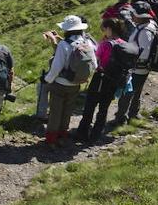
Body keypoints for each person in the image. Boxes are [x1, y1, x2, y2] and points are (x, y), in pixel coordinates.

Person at [42, 16, 96, 147]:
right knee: (67, 111)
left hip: (60, 84)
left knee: (55, 112)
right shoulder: (86, 43)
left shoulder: (64, 45)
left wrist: (46, 79)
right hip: (76, 84)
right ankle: (62, 136)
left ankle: (51, 140)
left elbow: (56, 67)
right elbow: (94, 64)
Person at [75, 18, 129, 142]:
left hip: (100, 77)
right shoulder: (123, 43)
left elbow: (96, 59)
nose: (104, 32)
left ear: (109, 29)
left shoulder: (106, 44)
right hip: (114, 80)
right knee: (104, 108)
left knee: (90, 105)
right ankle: (95, 135)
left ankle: (82, 133)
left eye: (104, 29)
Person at [116, 2, 158, 124]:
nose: (132, 16)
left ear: (140, 16)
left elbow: (144, 53)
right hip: (140, 68)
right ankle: (133, 114)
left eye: (134, 13)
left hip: (137, 68)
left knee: (127, 93)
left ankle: (121, 117)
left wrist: (129, 59)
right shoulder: (147, 25)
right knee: (136, 92)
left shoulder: (145, 31)